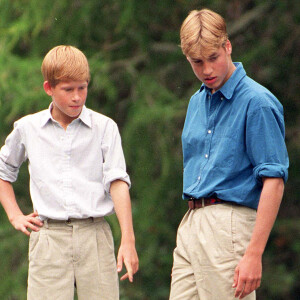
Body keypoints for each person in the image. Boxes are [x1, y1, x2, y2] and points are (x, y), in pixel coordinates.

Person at [0, 45, 138, 300]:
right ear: (49, 88)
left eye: (82, 88)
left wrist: (127, 239)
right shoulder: (28, 128)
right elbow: (3, 172)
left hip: (94, 235)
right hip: (49, 237)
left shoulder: (105, 127)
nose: (77, 97)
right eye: (68, 90)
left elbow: (118, 182)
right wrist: (14, 215)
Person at [169, 9, 289, 300]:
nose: (207, 69)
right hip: (191, 223)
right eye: (197, 62)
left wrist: (254, 254)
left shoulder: (257, 102)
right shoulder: (196, 102)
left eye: (213, 57)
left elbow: (274, 181)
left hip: (230, 227)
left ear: (228, 46)